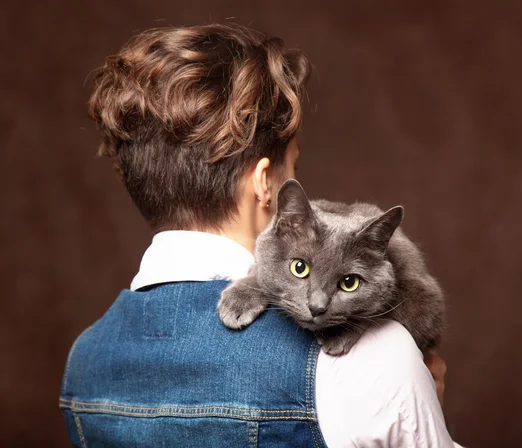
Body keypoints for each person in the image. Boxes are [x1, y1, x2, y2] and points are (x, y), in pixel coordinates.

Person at [59, 23, 462, 447]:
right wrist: (415, 402)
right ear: (265, 182)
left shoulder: (84, 359)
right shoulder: (372, 359)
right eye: (294, 167)